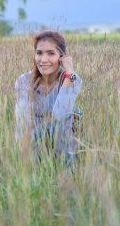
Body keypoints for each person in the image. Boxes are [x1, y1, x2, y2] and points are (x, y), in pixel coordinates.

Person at [15, 30, 82, 166]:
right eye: (39, 53)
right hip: (33, 148)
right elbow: (21, 120)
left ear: (61, 57)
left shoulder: (73, 80)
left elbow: (60, 113)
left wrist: (69, 75)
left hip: (64, 147)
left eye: (51, 53)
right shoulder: (24, 81)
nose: (43, 60)